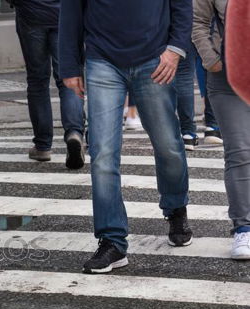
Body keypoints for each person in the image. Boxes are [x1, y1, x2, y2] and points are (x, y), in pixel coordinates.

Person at [59, 0, 194, 274]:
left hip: (155, 58)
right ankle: (112, 240)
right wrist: (69, 66)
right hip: (102, 59)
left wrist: (175, 49)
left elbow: (182, 4)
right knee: (103, 154)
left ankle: (176, 207)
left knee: (168, 145)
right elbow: (71, 10)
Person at [193, 0, 250, 259]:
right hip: (228, 76)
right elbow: (197, 21)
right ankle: (244, 227)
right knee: (239, 151)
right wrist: (211, 59)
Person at [11, 0, 86, 169]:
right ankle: (74, 132)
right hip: (64, 13)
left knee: (37, 81)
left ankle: (43, 145)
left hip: (31, 13)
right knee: (69, 76)